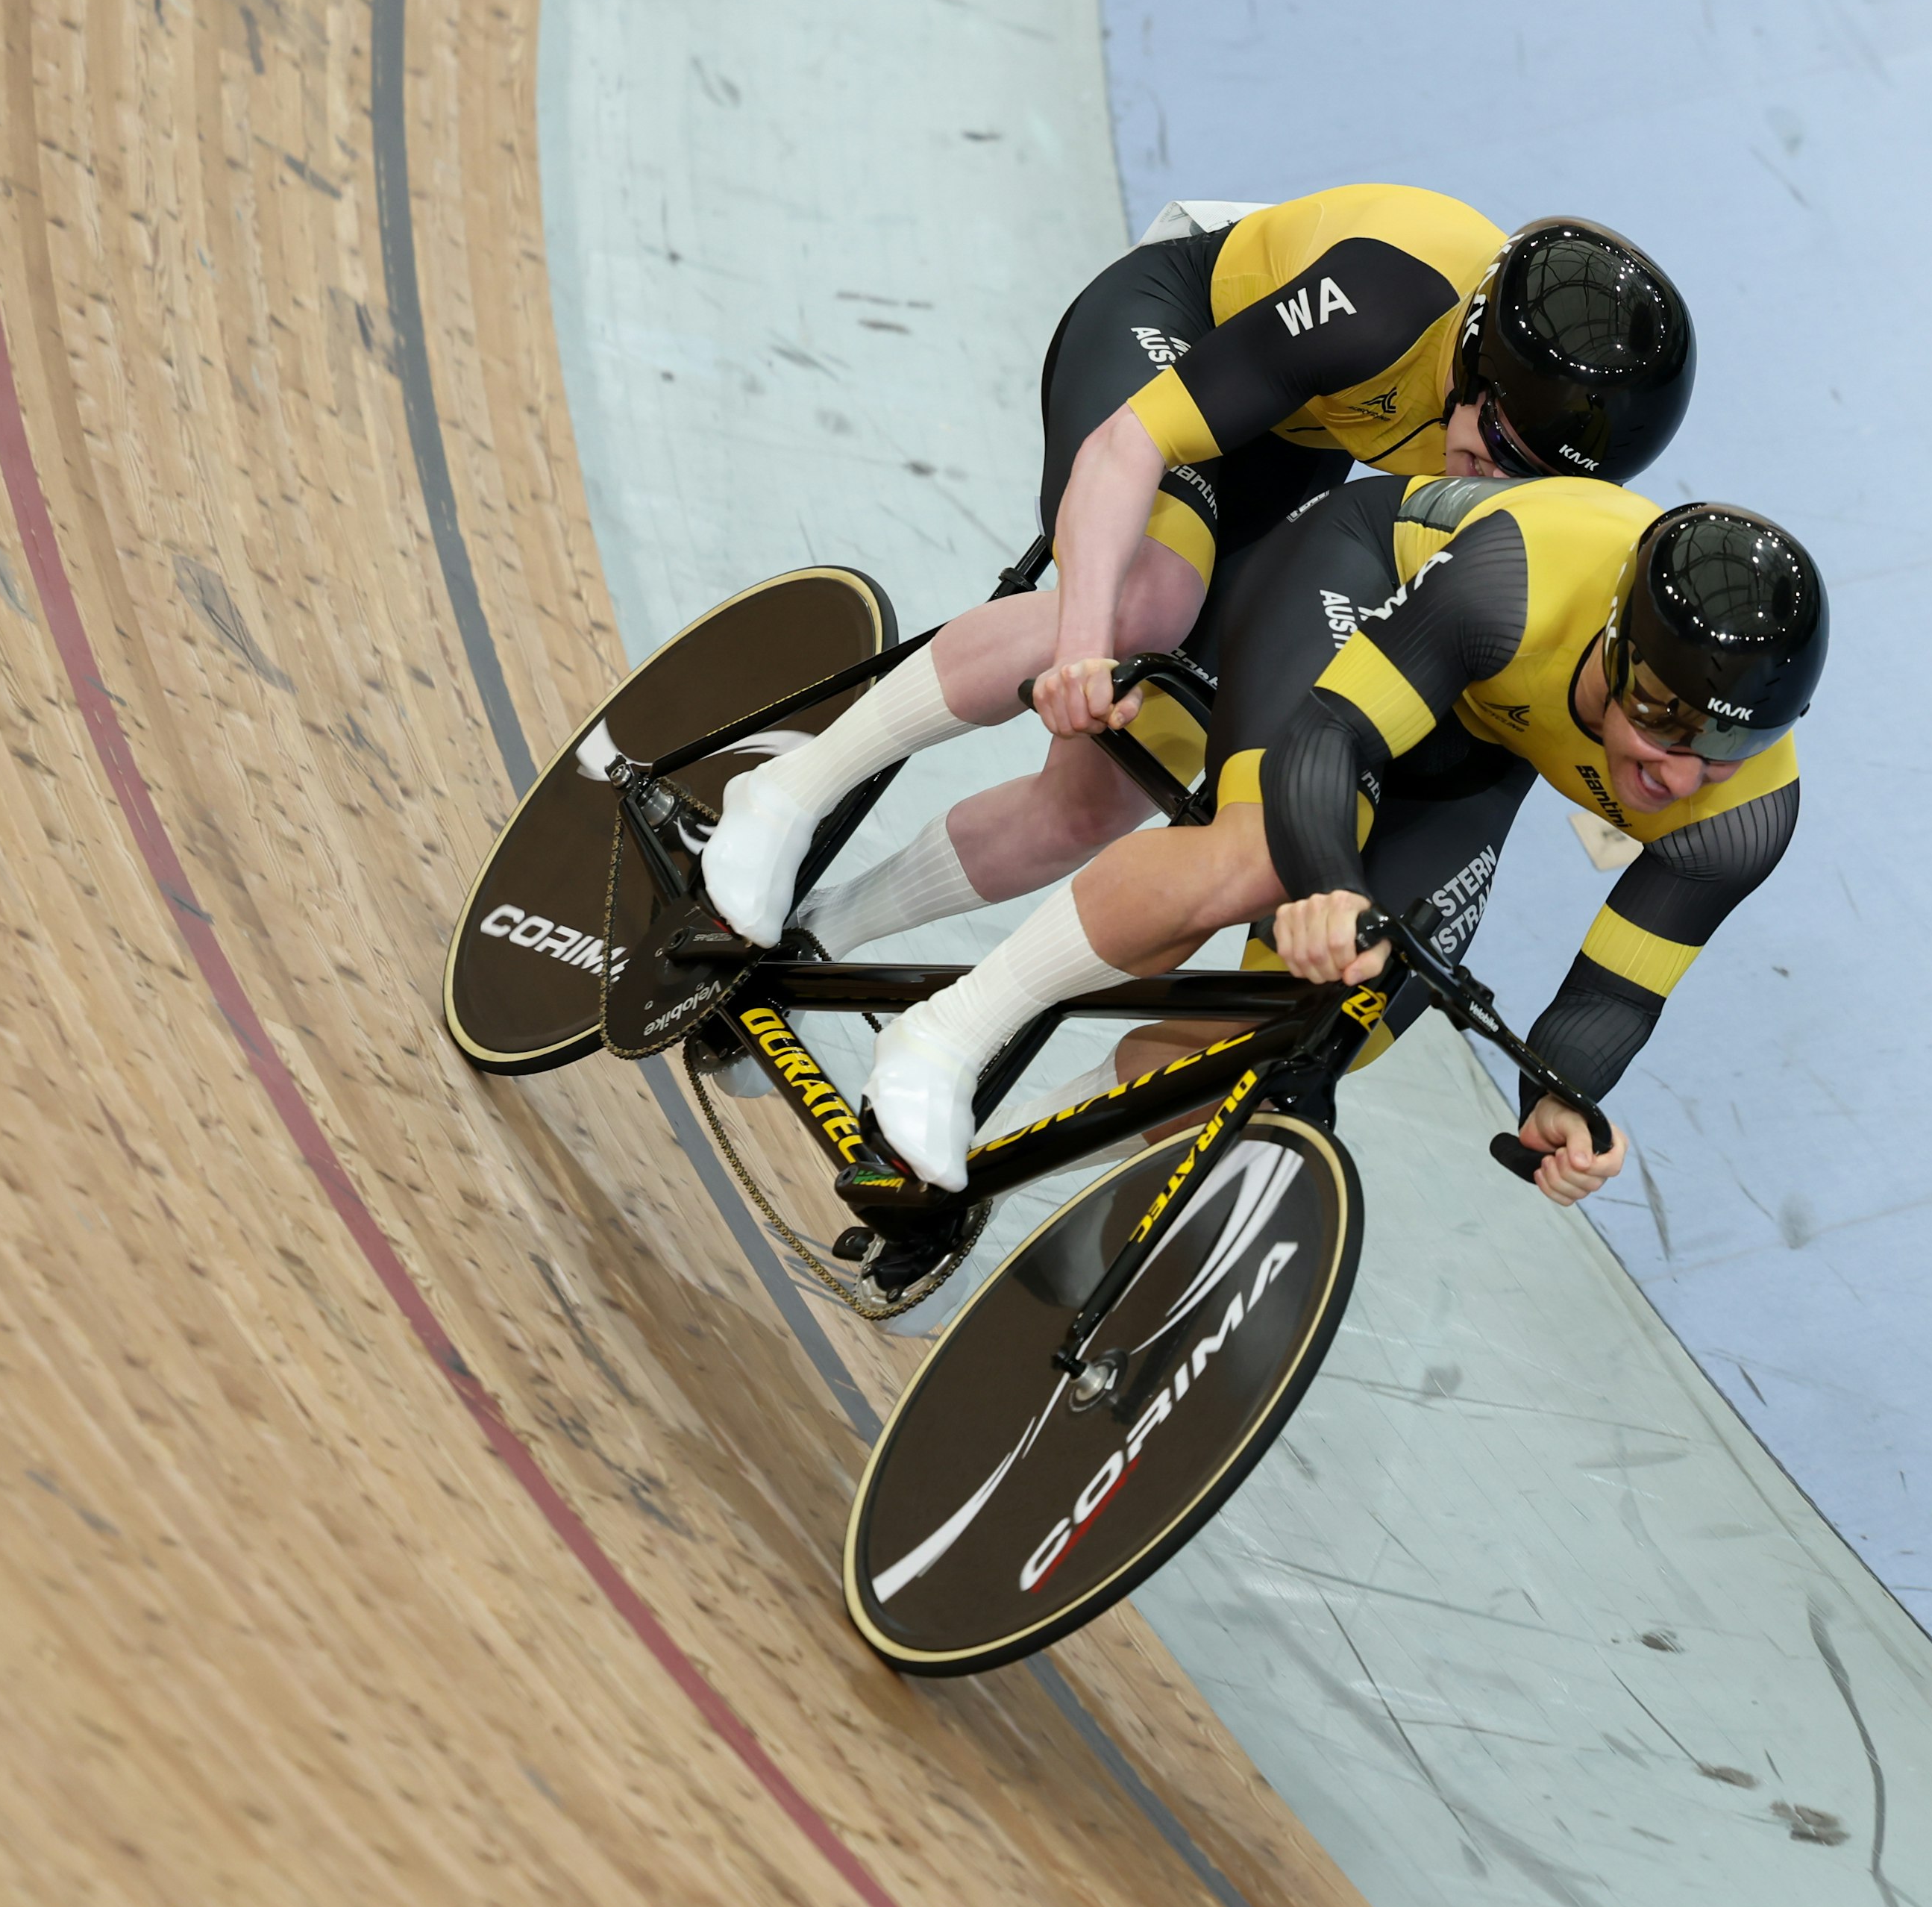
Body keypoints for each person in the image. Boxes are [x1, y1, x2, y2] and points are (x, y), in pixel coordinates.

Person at [700, 188, 1698, 961]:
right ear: (1472, 359)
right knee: (1147, 604)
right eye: (1492, 444)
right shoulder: (1387, 302)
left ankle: (821, 937)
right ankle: (787, 791)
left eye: (1531, 477)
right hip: (1178, 337)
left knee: (1108, 794)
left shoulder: (1510, 454)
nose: (1490, 482)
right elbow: (1131, 443)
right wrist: (1086, 641)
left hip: (1288, 440)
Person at [853, 472, 1828, 1247]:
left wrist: (1562, 1103)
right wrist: (1327, 886)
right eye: (1662, 717)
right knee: (1262, 855)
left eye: (1726, 746)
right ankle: (943, 1034)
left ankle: (989, 1168)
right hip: (1365, 587)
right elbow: (1329, 745)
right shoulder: (1514, 584)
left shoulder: (1741, 815)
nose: (1681, 771)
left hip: (1481, 739)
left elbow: (1612, 996)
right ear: (1613, 651)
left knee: (1320, 1032)